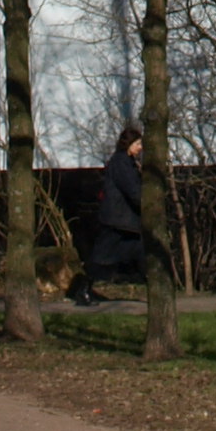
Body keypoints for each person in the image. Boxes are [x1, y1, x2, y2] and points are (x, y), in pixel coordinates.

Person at [75, 127, 146, 306]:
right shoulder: (122, 163)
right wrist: (146, 204)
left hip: (123, 220)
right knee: (101, 257)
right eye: (137, 143)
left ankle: (156, 290)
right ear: (128, 144)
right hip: (118, 220)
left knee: (140, 253)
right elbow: (132, 190)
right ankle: (84, 290)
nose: (140, 147)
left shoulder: (125, 162)